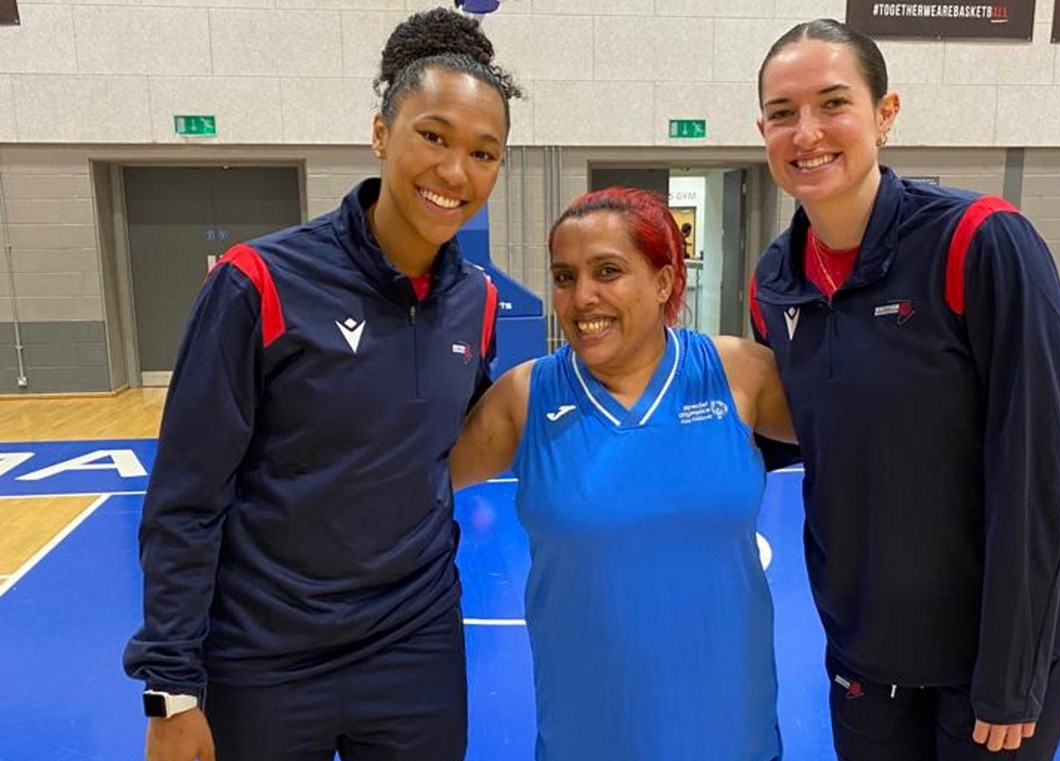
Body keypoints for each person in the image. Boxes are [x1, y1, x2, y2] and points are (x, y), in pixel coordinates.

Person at [122, 8, 521, 761]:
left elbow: (454, 433)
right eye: (432, 136)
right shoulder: (259, 281)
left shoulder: (479, 299)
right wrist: (171, 686)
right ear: (380, 134)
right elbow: (185, 494)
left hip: (413, 646)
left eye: (484, 152)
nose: (455, 172)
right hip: (265, 657)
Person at [750, 18, 1060, 761]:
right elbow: (785, 436)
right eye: (783, 113)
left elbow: (1039, 474)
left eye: (833, 103)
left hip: (985, 661)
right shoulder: (774, 281)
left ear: (886, 113)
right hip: (866, 657)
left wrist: (1009, 674)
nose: (807, 132)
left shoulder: (982, 240)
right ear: (763, 129)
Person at [451, 187, 796, 761]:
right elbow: (406, 488)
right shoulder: (526, 396)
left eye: (607, 271)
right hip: (587, 734)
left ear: (663, 282)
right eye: (564, 276)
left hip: (731, 733)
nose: (582, 297)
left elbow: (863, 445)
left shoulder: (738, 373)